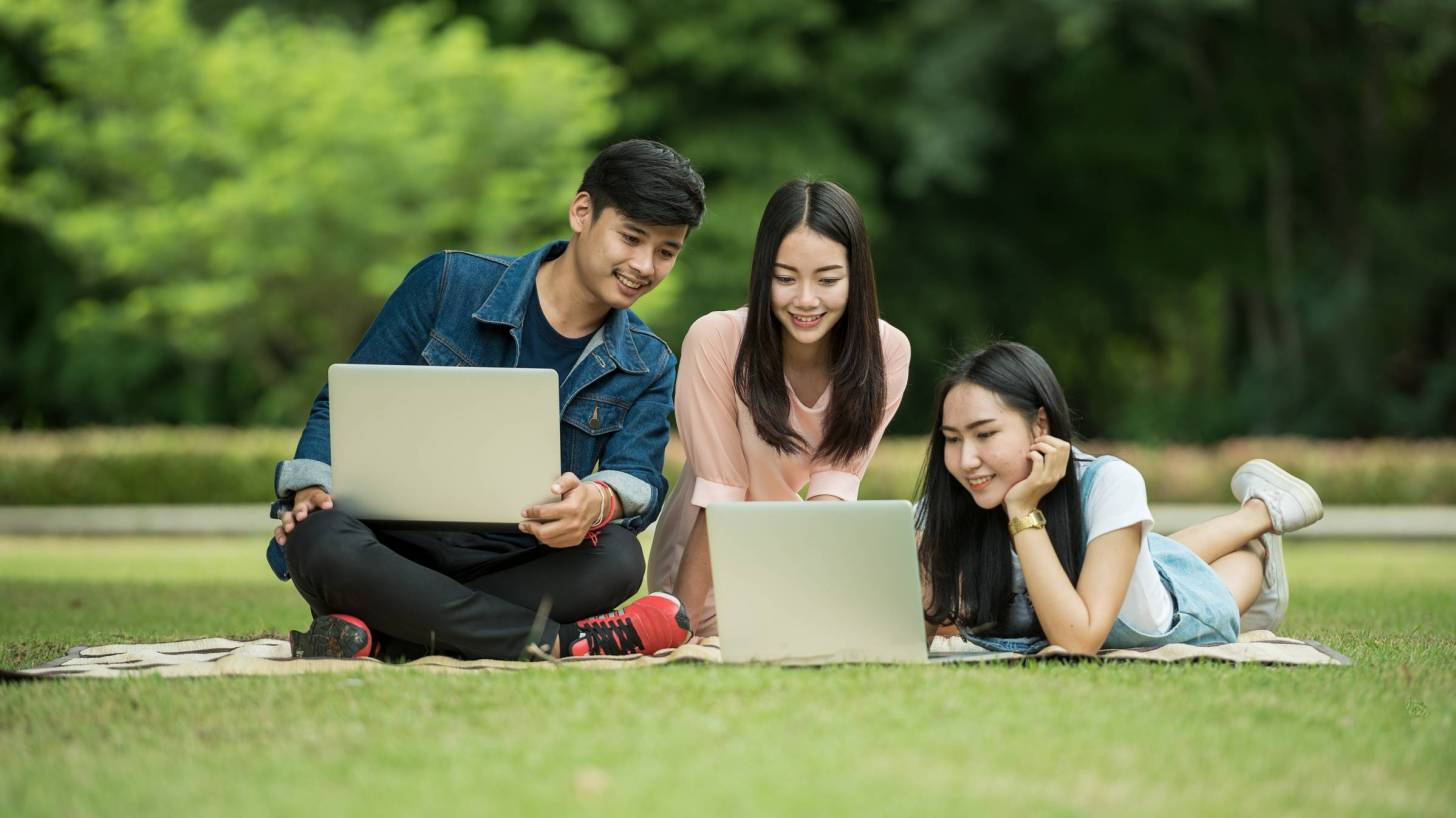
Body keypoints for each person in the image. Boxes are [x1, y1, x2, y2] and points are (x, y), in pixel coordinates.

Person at [267, 139, 704, 661]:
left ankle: (383, 632)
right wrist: (313, 484)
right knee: (317, 537)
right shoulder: (447, 282)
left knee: (617, 558)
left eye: (666, 251)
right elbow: (341, 404)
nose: (644, 264)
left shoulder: (649, 361)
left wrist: (597, 502)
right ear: (582, 212)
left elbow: (638, 477)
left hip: (519, 558)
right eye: (631, 238)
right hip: (386, 546)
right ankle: (561, 642)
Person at [917, 341, 1325, 654]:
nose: (966, 459)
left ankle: (1259, 525)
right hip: (1130, 563)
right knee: (1151, 553)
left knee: (1231, 566)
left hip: (1167, 612)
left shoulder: (1110, 482)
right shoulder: (954, 499)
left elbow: (1078, 642)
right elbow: (913, 632)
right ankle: (1259, 510)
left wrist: (1023, 510)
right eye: (952, 439)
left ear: (1040, 425)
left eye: (985, 434)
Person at [648, 179, 912, 637]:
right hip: (703, 561)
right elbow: (719, 497)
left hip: (798, 547)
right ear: (762, 273)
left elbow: (833, 494)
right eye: (785, 278)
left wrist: (814, 597)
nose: (805, 300)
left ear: (857, 276)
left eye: (828, 280)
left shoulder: (886, 352)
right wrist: (680, 631)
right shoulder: (717, 340)